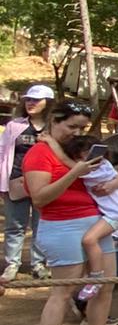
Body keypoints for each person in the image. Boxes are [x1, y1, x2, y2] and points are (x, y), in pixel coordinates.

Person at [23, 99, 118, 325]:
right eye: (71, 126)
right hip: (62, 228)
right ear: (54, 122)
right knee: (62, 293)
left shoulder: (72, 151)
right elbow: (39, 197)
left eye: (81, 128)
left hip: (94, 223)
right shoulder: (39, 154)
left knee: (105, 284)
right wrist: (73, 174)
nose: (76, 132)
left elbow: (109, 172)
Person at [0, 83, 54, 281]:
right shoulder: (15, 126)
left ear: (47, 103)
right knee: (15, 225)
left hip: (44, 183)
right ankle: (12, 265)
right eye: (28, 99)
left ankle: (38, 264)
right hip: (16, 181)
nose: (30, 103)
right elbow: (2, 152)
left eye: (36, 100)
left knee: (42, 224)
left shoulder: (53, 128)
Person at [70, 139, 118, 298]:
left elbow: (73, 168)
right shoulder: (104, 166)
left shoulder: (95, 169)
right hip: (116, 211)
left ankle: (96, 277)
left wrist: (51, 144)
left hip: (116, 212)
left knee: (89, 240)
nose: (84, 159)